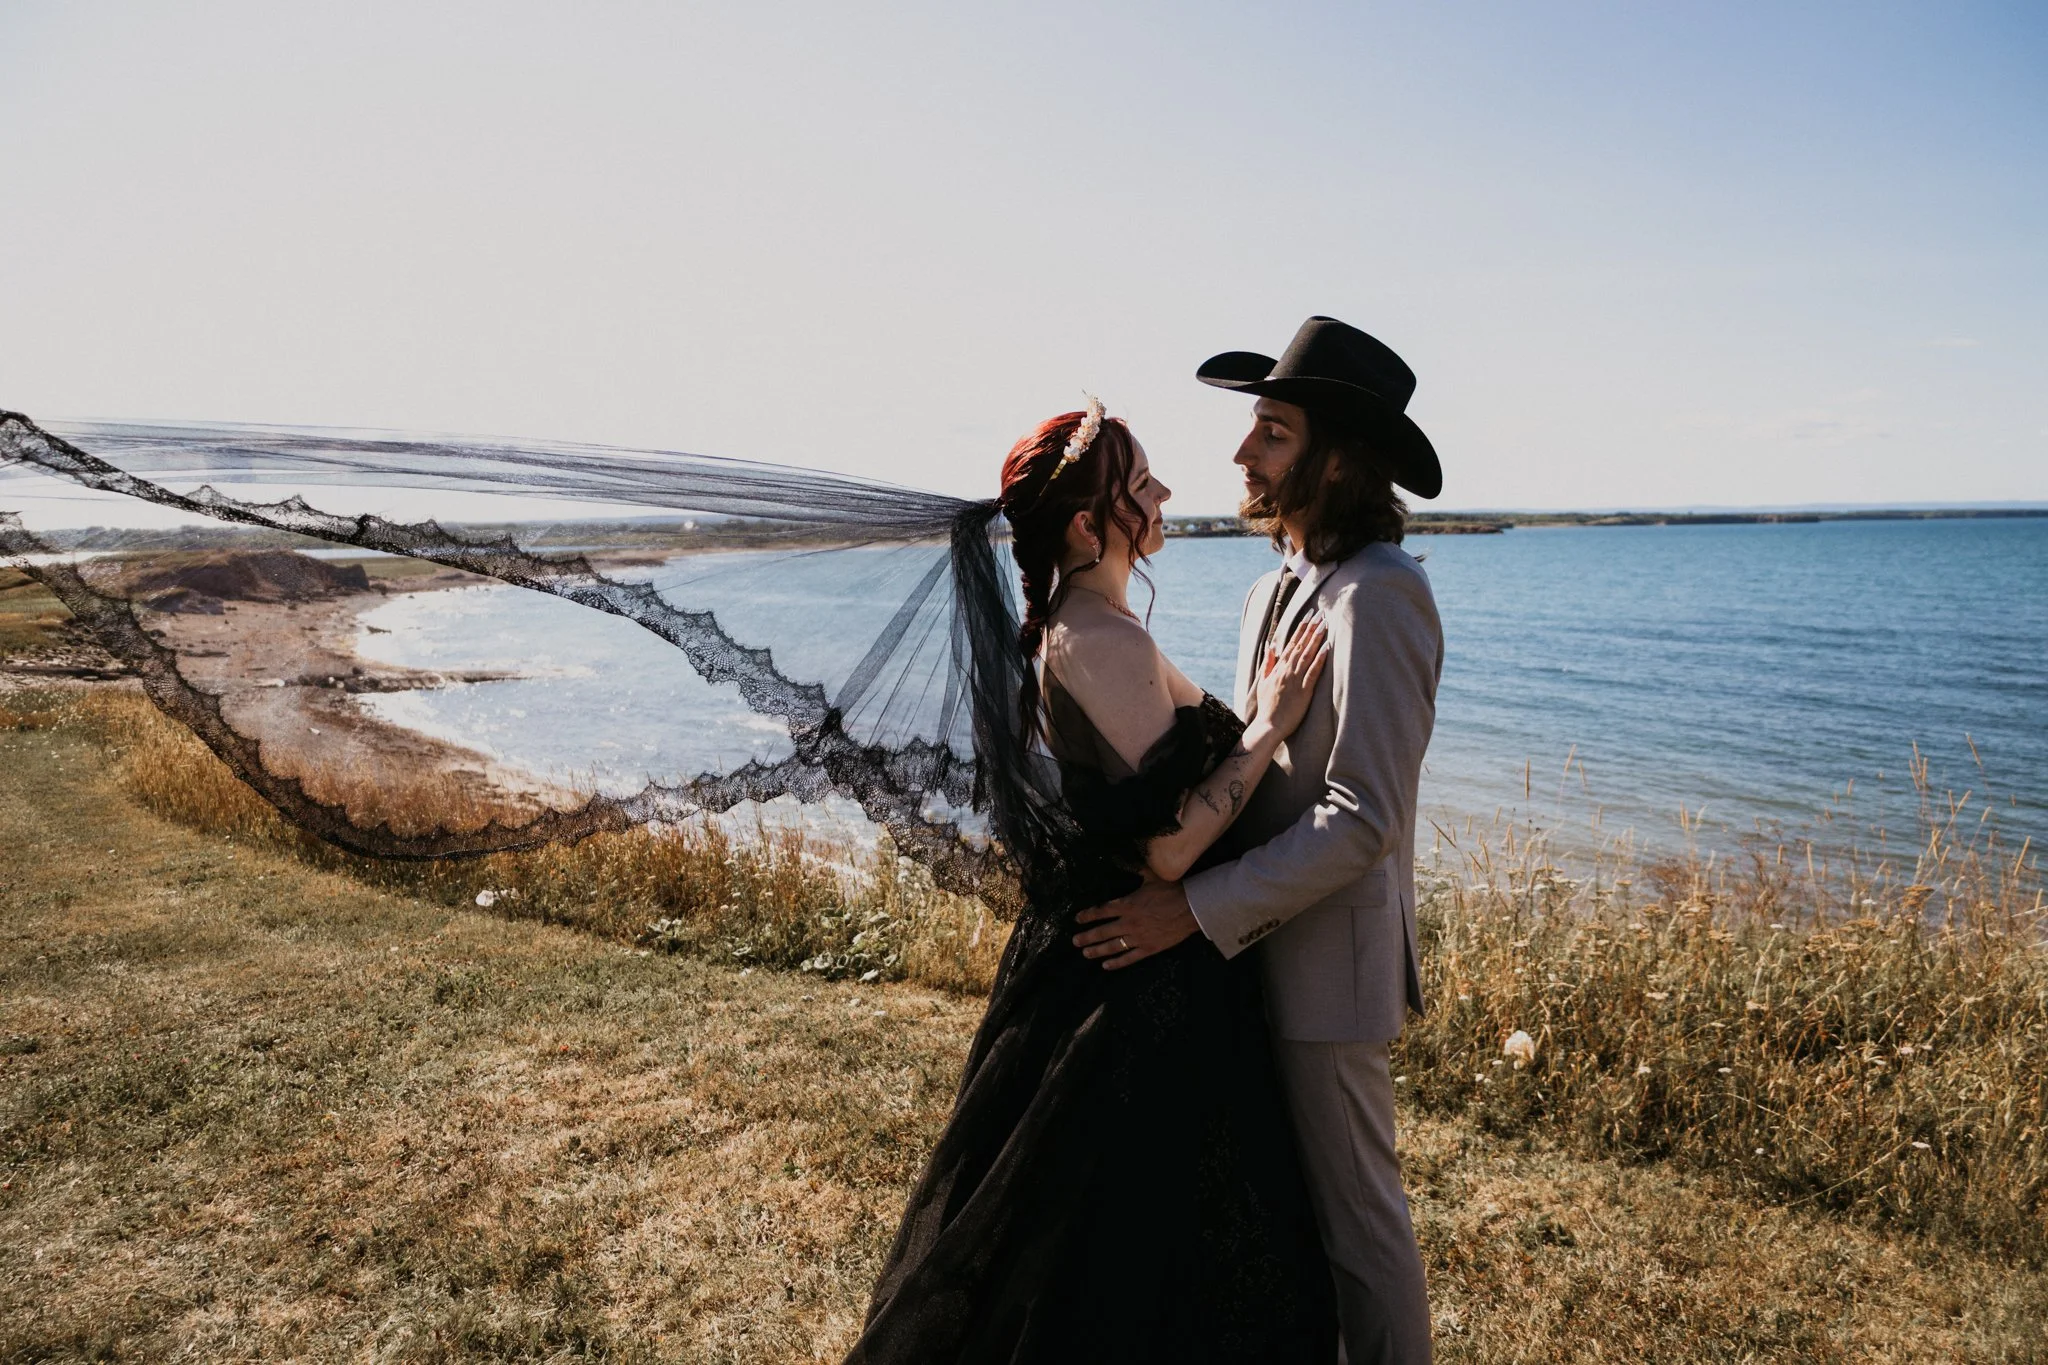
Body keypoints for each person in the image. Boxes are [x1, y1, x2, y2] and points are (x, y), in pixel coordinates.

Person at [844, 398, 1339, 1362]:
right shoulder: (1093, 637)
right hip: (1135, 986)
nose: (1161, 494)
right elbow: (1165, 850)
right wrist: (1271, 721)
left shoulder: (1088, 625)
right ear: (1088, 522)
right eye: (1142, 482)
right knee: (1126, 1260)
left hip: (1125, 962)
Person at [1074, 317, 1445, 1364]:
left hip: (1325, 966)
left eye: (1271, 434)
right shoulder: (1269, 590)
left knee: (1357, 1227)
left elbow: (1361, 817)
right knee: (1281, 1222)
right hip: (1243, 959)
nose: (1241, 454)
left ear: (1336, 459)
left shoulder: (1383, 593)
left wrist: (1187, 908)